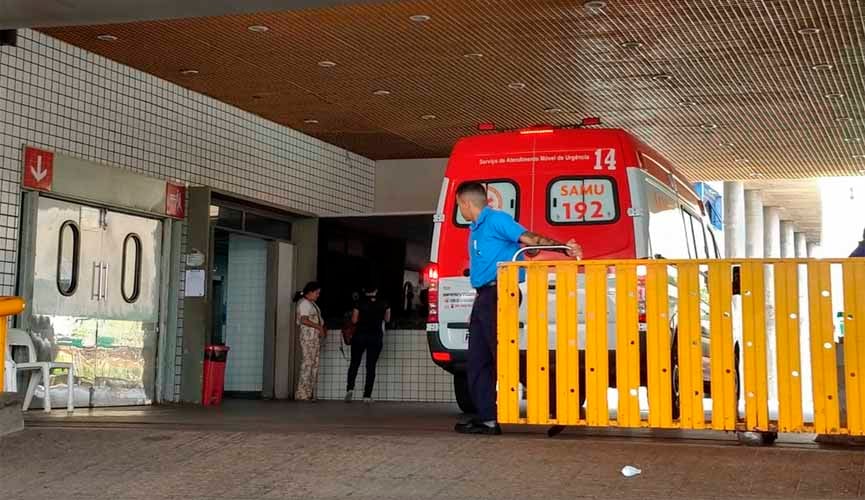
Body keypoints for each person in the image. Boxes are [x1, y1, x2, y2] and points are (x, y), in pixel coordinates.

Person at [453, 182, 581, 435]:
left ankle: (560, 408)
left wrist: (564, 249)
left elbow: (530, 240)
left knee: (507, 357)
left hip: (501, 293)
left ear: (466, 203)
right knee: (478, 359)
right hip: (485, 296)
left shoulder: (496, 220)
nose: (461, 210)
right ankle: (487, 418)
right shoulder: (476, 229)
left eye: (459, 205)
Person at [345, 286, 391, 403]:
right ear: (376, 290)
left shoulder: (359, 303)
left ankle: (350, 389)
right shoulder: (384, 303)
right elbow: (387, 319)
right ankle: (367, 396)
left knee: (354, 363)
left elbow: (354, 320)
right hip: (375, 337)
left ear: (365, 291)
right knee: (371, 366)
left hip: (359, 336)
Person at [294, 281, 325, 401]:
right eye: (317, 293)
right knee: (307, 364)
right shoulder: (304, 304)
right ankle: (302, 393)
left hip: (314, 338)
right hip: (308, 338)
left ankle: (308, 393)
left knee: (313, 364)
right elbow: (304, 320)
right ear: (310, 292)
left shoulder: (312, 304)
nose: (318, 295)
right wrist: (319, 327)